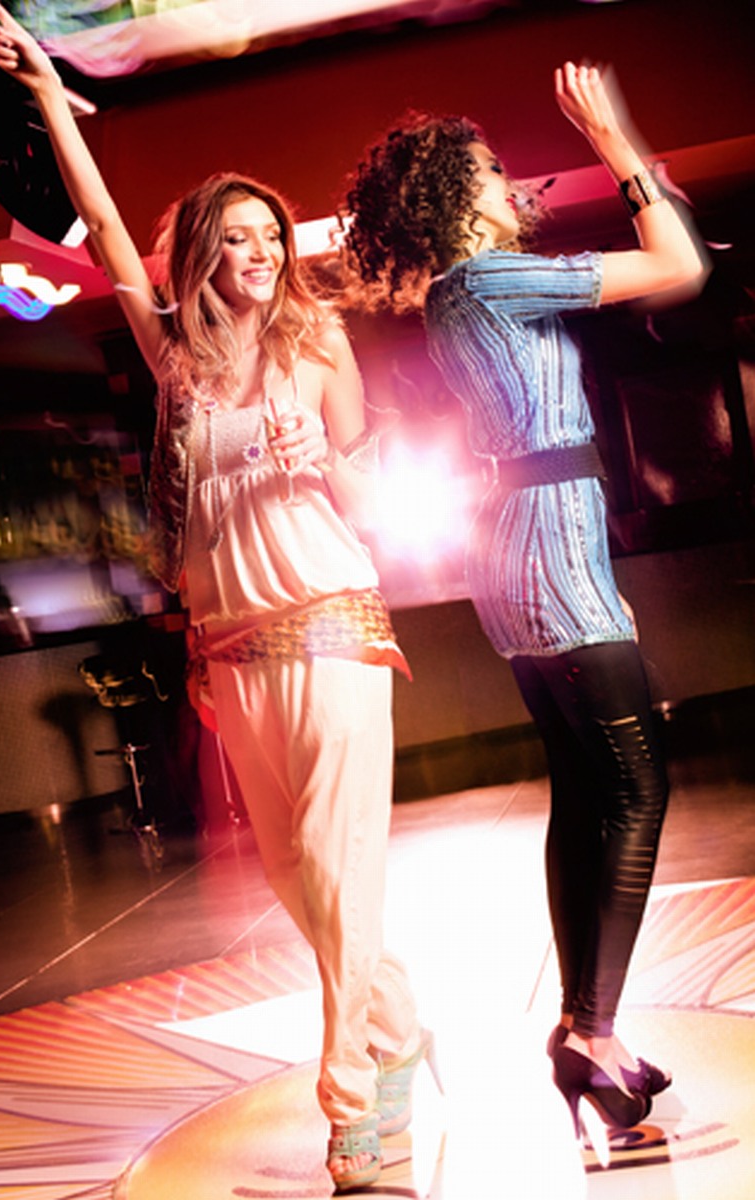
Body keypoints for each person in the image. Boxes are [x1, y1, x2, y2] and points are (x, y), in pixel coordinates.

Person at [0, 1, 439, 1191]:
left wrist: (321, 461)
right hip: (230, 651)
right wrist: (47, 95)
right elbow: (101, 229)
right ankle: (401, 1031)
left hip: (331, 626)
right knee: (299, 879)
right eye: (236, 240)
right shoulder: (175, 359)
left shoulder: (317, 346)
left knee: (337, 865)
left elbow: (366, 491)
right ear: (202, 257)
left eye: (269, 238)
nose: (261, 255)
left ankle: (351, 1105)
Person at [343, 62, 707, 1159]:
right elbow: (677, 265)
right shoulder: (491, 279)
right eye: (491, 170)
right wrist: (616, 139)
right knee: (635, 787)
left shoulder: (459, 294)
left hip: (522, 551)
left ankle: (584, 1030)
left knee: (586, 790)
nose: (509, 183)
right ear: (453, 196)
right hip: (548, 554)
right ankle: (590, 1031)